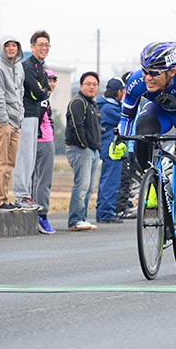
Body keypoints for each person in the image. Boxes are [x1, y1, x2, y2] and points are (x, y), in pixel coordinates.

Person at [110, 42, 176, 259]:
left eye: (154, 73)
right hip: (159, 113)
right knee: (142, 133)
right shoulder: (137, 81)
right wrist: (120, 141)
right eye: (145, 71)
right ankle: (153, 182)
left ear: (171, 71)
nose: (148, 77)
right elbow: (127, 117)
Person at [0, 36, 25, 212]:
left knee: (10, 163)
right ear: (2, 48)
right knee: (0, 162)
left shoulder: (18, 67)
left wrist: (20, 116)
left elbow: (20, 92)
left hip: (15, 122)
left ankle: (3, 198)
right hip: (1, 122)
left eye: (14, 45)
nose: (11, 48)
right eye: (7, 45)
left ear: (18, 48)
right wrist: (4, 122)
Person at [13, 30, 51, 211]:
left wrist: (43, 90)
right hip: (26, 114)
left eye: (46, 45)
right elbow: (39, 92)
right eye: (40, 45)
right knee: (24, 157)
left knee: (30, 157)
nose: (44, 48)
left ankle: (26, 195)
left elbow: (45, 90)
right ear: (32, 47)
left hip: (35, 115)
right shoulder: (27, 66)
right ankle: (21, 195)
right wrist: (43, 90)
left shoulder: (41, 67)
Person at [65, 71, 102, 231]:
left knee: (89, 187)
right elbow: (76, 125)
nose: (91, 87)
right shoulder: (77, 102)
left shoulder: (93, 104)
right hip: (80, 149)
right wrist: (84, 145)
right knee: (81, 185)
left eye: (94, 84)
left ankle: (83, 218)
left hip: (93, 151)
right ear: (81, 86)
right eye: (88, 84)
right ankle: (75, 220)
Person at [95, 77, 126, 223]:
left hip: (110, 147)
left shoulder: (104, 106)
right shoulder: (110, 109)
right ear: (118, 92)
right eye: (122, 91)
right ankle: (106, 213)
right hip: (112, 148)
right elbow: (127, 121)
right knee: (110, 181)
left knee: (108, 180)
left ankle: (105, 211)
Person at [33, 69, 58, 233]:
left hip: (36, 141)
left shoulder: (40, 97)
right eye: (49, 79)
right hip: (44, 141)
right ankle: (42, 216)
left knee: (35, 179)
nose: (52, 83)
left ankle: (36, 215)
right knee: (43, 180)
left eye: (55, 80)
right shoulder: (42, 98)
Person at [114, 70, 140, 219]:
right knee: (124, 179)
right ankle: (121, 208)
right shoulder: (125, 104)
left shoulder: (137, 103)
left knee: (129, 178)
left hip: (135, 144)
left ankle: (126, 204)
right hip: (126, 146)